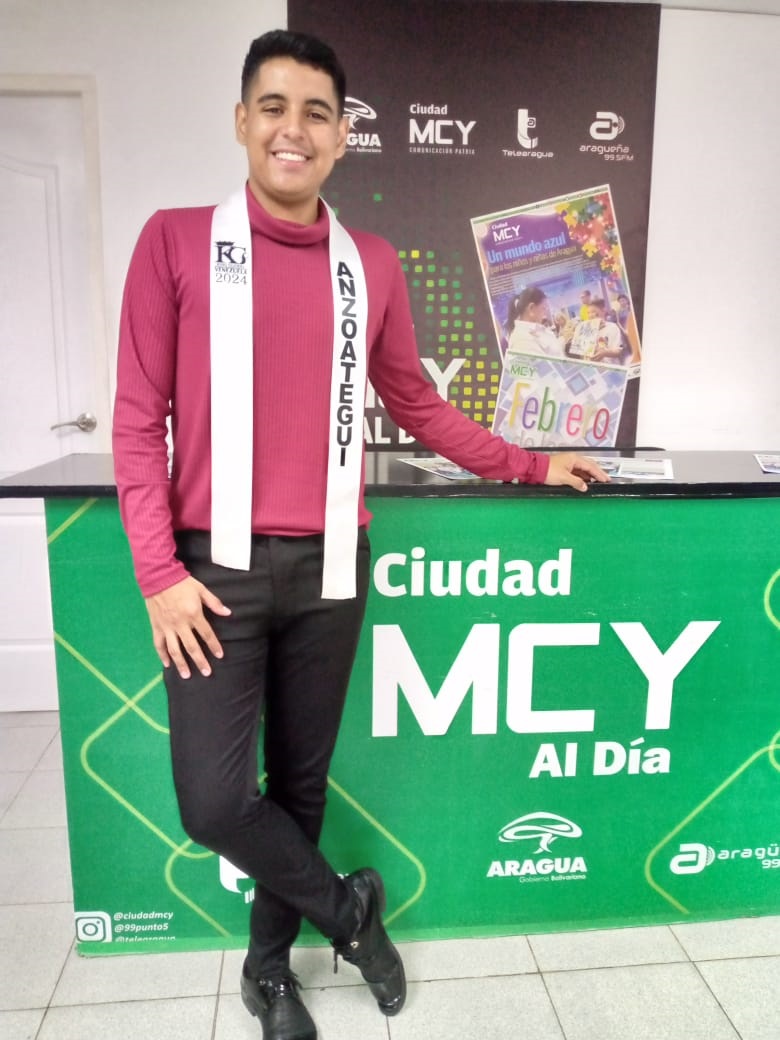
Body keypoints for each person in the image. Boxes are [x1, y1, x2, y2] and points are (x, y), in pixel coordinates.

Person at [112, 28, 609, 1040]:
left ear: (343, 137)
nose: (293, 129)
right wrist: (158, 572)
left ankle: (268, 975)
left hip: (334, 567)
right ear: (242, 121)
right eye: (274, 107)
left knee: (298, 785)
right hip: (212, 573)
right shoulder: (173, 241)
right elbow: (135, 417)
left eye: (317, 113)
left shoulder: (368, 264)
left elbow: (416, 402)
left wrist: (528, 461)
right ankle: (351, 914)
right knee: (213, 802)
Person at [504, 286, 564, 357]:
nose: (545, 314)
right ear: (531, 308)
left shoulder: (534, 330)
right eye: (543, 308)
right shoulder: (522, 340)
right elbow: (544, 363)